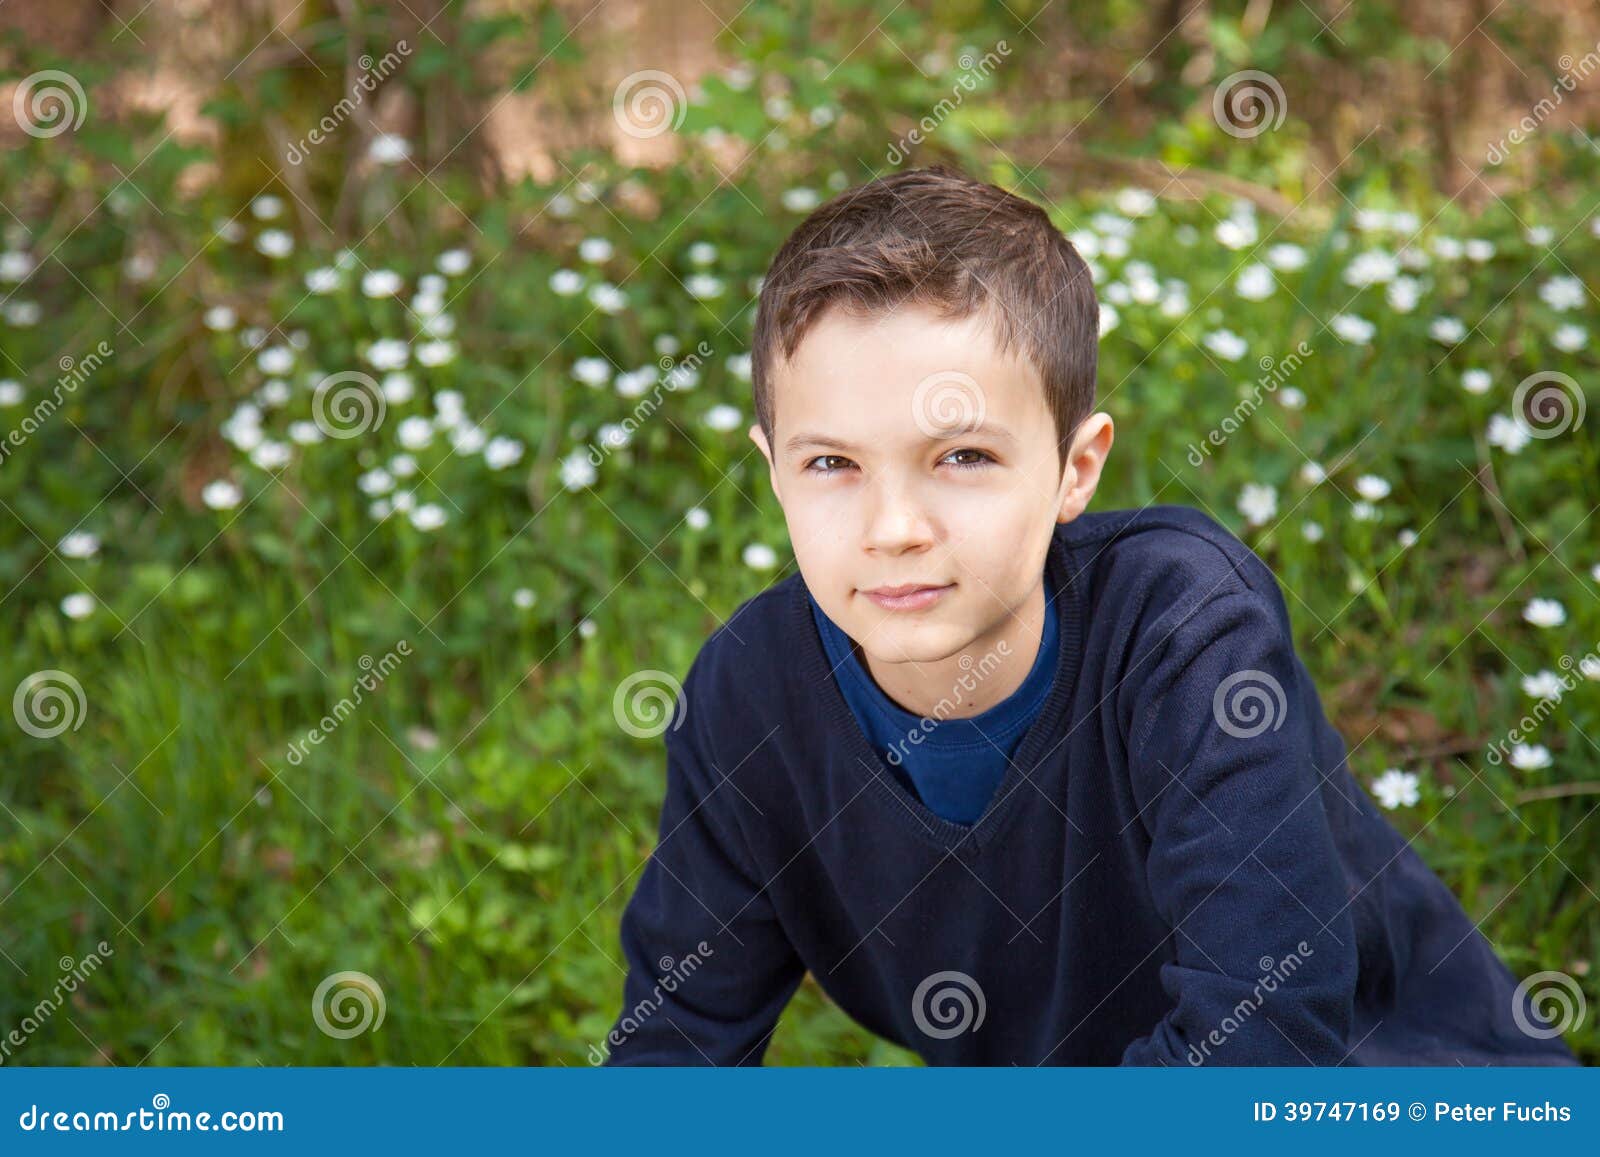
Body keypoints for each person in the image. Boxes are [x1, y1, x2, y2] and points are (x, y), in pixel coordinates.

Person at [600, 165, 1580, 1066]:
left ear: (1075, 467)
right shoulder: (748, 691)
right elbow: (678, 1047)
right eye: (831, 464)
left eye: (963, 457)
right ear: (772, 472)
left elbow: (1260, 1041)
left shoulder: (1180, 630)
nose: (893, 528)